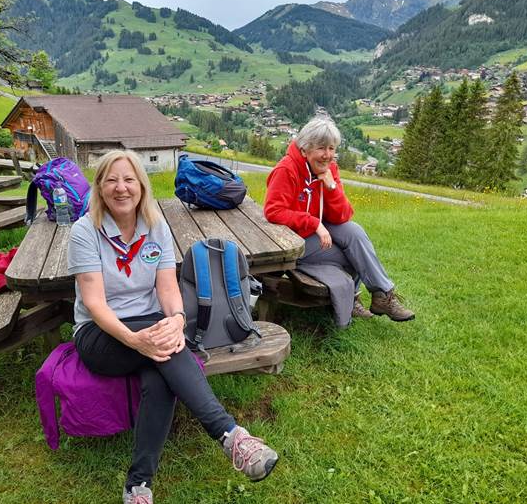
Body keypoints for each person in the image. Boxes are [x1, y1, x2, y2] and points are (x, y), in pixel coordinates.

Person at [68, 150, 278, 503]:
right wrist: (136, 340)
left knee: (160, 378)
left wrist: (178, 319)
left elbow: (167, 286)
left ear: (142, 185)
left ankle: (138, 486)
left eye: (129, 179)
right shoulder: (85, 231)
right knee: (165, 353)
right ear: (100, 187)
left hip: (150, 324)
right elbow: (94, 303)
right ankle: (230, 434)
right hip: (100, 333)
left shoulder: (156, 226)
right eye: (112, 180)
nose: (121, 188)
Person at [264, 117, 414, 327]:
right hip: (293, 239)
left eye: (331, 148)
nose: (327, 155)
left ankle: (383, 294)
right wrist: (314, 223)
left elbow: (342, 217)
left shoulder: (329, 169)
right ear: (305, 149)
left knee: (354, 232)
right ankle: (352, 299)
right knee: (353, 254)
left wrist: (332, 188)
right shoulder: (287, 170)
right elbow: (273, 211)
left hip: (316, 232)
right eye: (321, 148)